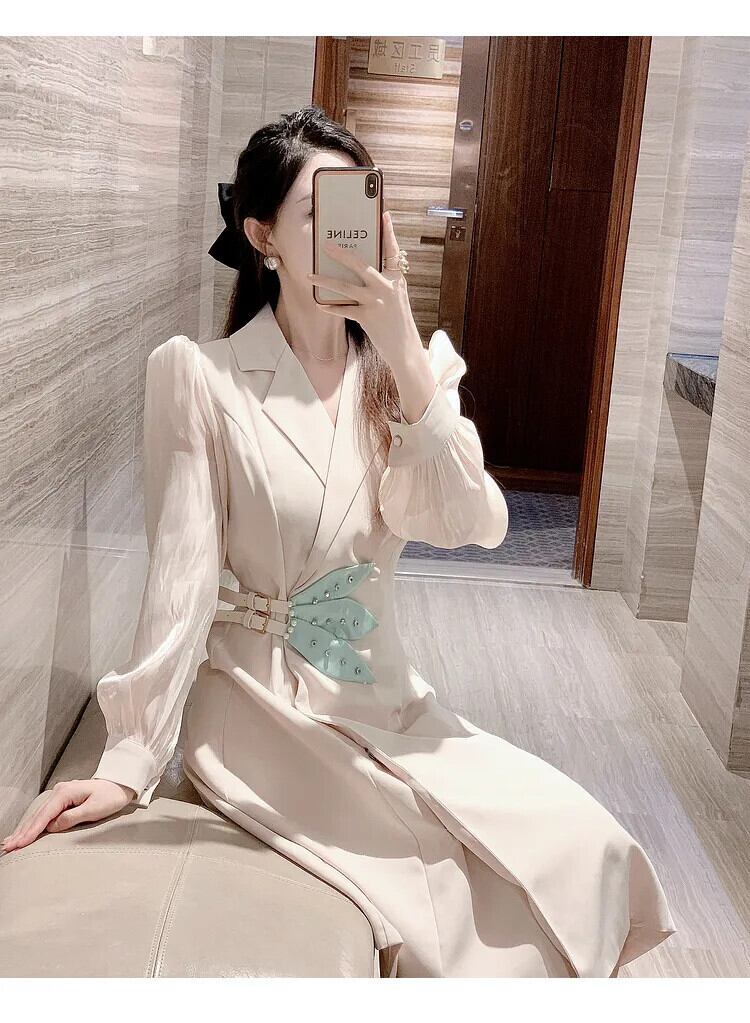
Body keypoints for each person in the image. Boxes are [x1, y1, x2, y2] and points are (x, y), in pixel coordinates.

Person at [1, 106, 676, 978]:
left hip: (382, 695)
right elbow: (179, 581)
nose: (348, 233)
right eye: (318, 213)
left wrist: (403, 345)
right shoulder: (199, 374)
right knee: (444, 895)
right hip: (257, 707)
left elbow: (474, 524)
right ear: (262, 236)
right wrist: (130, 759)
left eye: (361, 205)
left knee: (581, 841)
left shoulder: (403, 376)